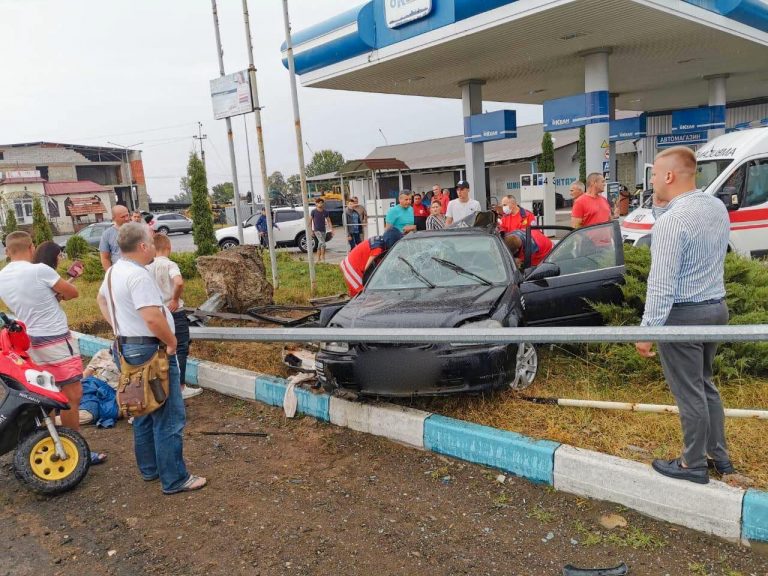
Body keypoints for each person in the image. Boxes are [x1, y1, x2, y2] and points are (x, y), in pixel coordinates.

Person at [635, 146, 732, 485]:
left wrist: (648, 331)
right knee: (705, 386)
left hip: (684, 315)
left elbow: (661, 284)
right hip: (716, 309)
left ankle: (692, 464)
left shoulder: (673, 223)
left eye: (654, 175)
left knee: (689, 392)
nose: (651, 181)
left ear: (669, 176)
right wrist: (661, 210)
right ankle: (719, 457)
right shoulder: (715, 207)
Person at [96, 223, 206, 494]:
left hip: (128, 347)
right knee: (168, 415)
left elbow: (101, 300)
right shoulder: (138, 275)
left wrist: (118, 328)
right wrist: (171, 342)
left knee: (143, 409)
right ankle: (175, 478)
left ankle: (150, 469)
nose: (155, 248)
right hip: (150, 350)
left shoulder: (113, 271)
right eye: (151, 243)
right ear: (143, 246)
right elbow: (152, 317)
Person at [0, 232, 107, 465]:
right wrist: (64, 287)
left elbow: (42, 301)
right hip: (56, 339)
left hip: (28, 342)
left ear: (8, 251)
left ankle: (55, 445)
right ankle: (77, 450)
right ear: (31, 247)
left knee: (45, 395)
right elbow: (73, 293)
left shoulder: (2, 276)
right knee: (71, 396)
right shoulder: (40, 270)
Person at [147, 234, 202, 401]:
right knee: (180, 348)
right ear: (168, 248)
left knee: (160, 350)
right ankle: (180, 387)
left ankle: (162, 386)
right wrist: (175, 299)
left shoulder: (147, 267)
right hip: (174, 312)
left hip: (156, 312)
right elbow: (178, 282)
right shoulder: (170, 264)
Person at [340, 227, 403, 297]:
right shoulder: (378, 249)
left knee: (358, 294)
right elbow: (368, 269)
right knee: (362, 294)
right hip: (351, 267)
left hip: (352, 265)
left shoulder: (381, 241)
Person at [100, 205, 131, 271]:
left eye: (127, 215)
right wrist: (110, 275)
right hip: (119, 272)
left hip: (137, 272)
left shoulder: (137, 229)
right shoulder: (107, 234)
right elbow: (105, 258)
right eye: (123, 217)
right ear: (114, 218)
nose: (127, 218)